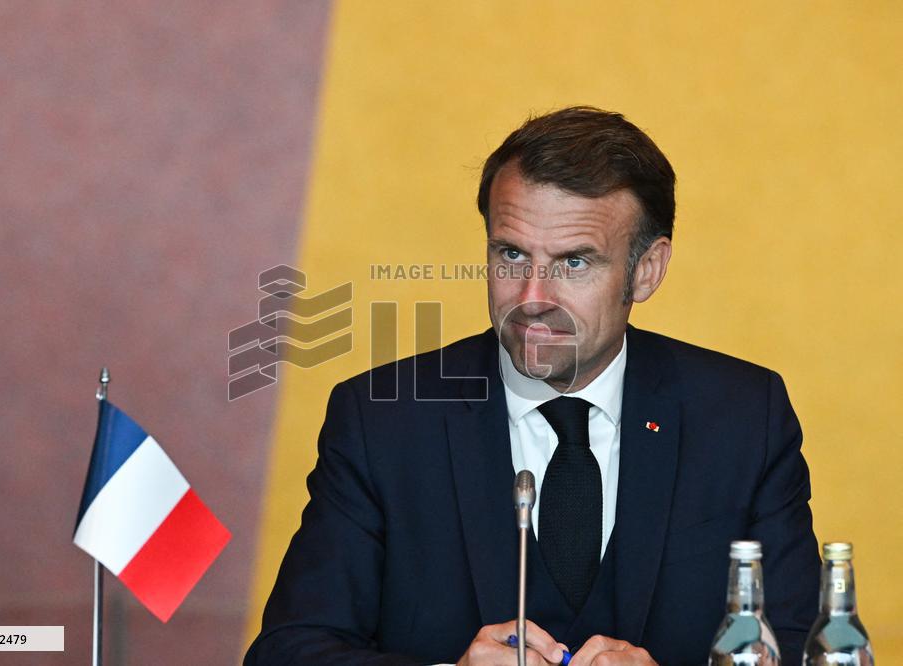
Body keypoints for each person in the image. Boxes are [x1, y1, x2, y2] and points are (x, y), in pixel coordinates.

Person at [244, 107, 819, 665]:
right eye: (512, 254)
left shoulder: (744, 418)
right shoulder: (382, 420)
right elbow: (286, 652)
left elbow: (800, 650)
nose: (531, 298)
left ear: (646, 270)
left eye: (574, 263)